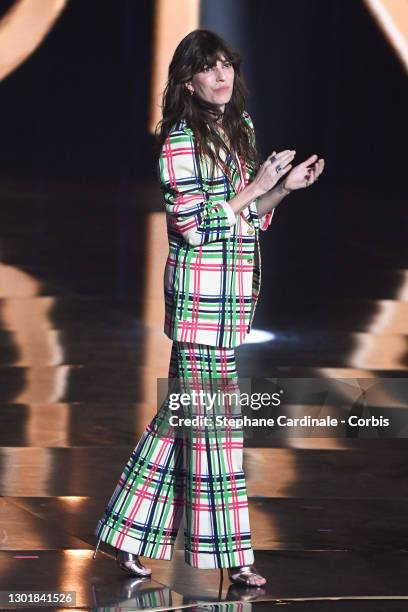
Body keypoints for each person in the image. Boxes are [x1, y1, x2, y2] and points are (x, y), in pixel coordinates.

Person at [92, 29, 325, 588]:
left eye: (228, 67)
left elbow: (248, 215)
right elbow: (193, 225)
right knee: (216, 427)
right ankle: (233, 557)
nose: (222, 77)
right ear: (187, 80)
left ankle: (125, 534)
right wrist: (254, 188)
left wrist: (284, 187)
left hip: (233, 297)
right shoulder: (177, 140)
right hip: (199, 300)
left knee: (182, 419)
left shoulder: (239, 129)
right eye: (210, 69)